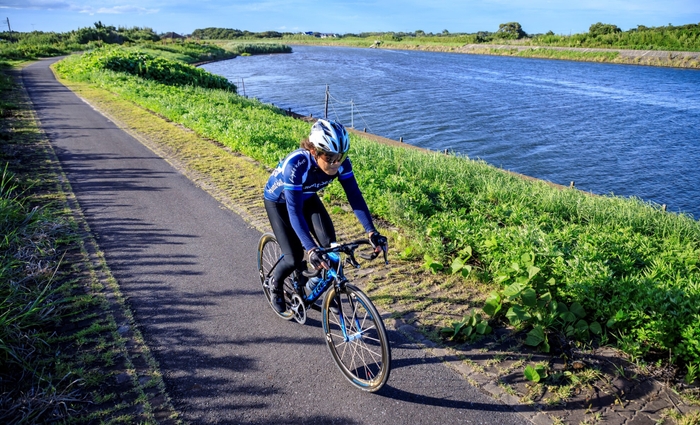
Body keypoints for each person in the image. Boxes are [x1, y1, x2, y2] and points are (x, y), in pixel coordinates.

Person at [263, 119, 388, 313]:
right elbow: (294, 211)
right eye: (329, 157)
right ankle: (275, 283)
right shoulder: (296, 166)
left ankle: (326, 291)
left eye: (340, 156)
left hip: (307, 197)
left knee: (331, 249)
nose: (336, 163)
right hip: (279, 203)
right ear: (315, 151)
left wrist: (371, 231)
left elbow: (354, 196)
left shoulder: (342, 164)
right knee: (295, 256)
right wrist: (311, 249)